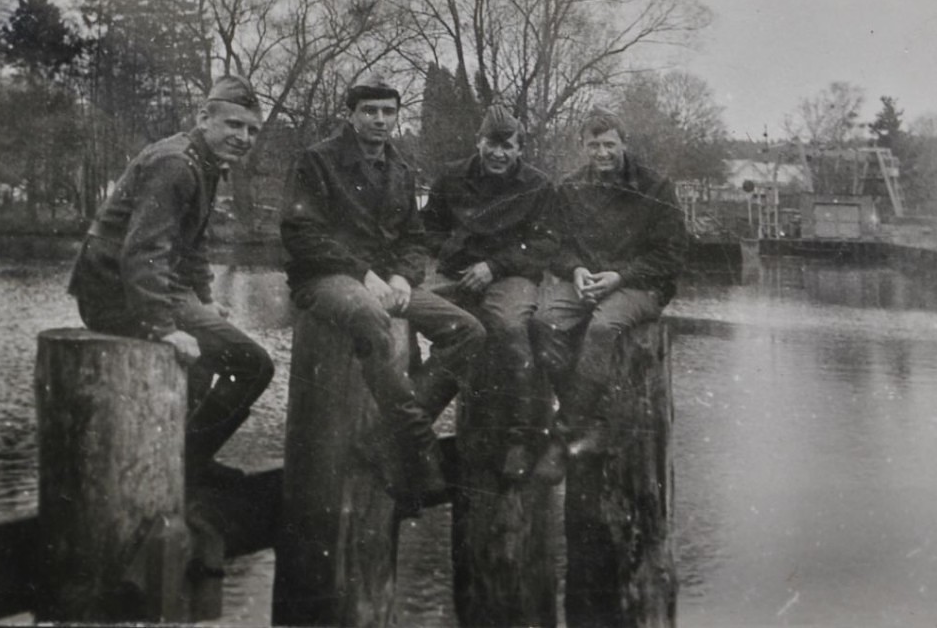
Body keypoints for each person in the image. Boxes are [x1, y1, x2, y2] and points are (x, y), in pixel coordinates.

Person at [280, 74, 485, 508]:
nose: (379, 119)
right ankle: (418, 441)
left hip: (385, 282)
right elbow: (301, 234)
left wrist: (402, 277)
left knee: (468, 331)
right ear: (350, 115)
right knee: (371, 316)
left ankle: (384, 437)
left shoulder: (401, 170)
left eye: (388, 112)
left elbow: (414, 238)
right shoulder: (317, 161)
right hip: (325, 279)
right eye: (369, 111)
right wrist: (362, 274)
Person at [68, 75, 274, 486]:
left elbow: (193, 242)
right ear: (204, 118)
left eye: (252, 130)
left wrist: (205, 299)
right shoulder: (176, 164)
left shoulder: (205, 162)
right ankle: (186, 463)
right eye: (233, 124)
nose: (243, 138)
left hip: (146, 286)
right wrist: (163, 328)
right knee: (254, 365)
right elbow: (143, 250)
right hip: (113, 293)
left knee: (213, 358)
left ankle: (180, 461)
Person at [531, 107, 686, 482]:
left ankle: (564, 434)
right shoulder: (570, 188)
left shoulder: (656, 188)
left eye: (609, 145)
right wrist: (576, 270)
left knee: (602, 329)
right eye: (594, 145)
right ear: (582, 146)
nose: (602, 153)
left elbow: (671, 255)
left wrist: (620, 277)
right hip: (586, 282)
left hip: (641, 285)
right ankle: (590, 417)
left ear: (624, 144)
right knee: (542, 323)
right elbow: (553, 245)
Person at [421, 105, 558, 483]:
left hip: (510, 275)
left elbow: (546, 243)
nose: (498, 153)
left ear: (520, 149)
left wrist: (494, 266)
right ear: (478, 142)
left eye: (507, 146)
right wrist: (452, 250)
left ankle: (523, 436)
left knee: (510, 327)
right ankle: (412, 427)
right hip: (459, 274)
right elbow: (427, 228)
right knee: (410, 320)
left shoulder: (537, 185)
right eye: (491, 144)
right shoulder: (452, 176)